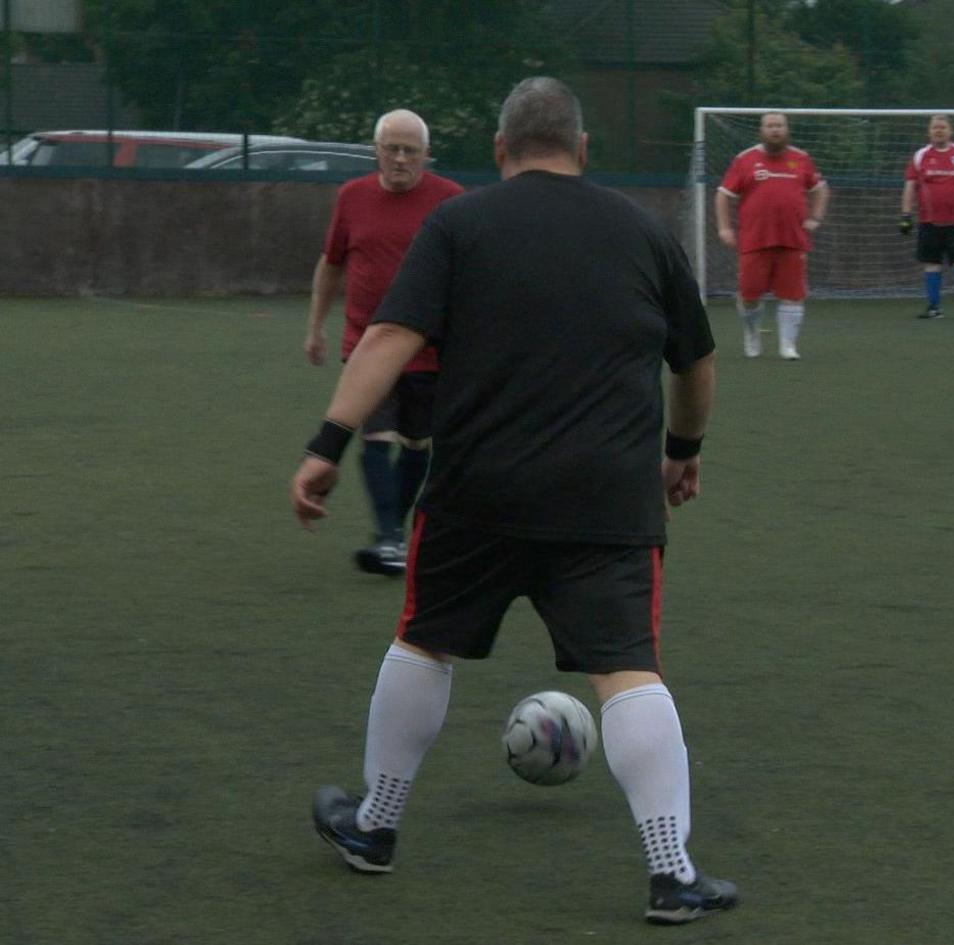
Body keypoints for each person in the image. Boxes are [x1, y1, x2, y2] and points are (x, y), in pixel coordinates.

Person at [289, 77, 736, 926]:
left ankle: (374, 826)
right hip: (607, 495)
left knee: (424, 642)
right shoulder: (643, 231)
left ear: (499, 151)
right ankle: (671, 872)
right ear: (582, 149)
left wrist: (328, 445)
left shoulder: (457, 224)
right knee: (628, 670)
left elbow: (389, 335)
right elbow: (696, 361)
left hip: (476, 492)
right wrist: (682, 453)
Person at [305, 109, 463, 575]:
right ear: (375, 151)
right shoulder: (351, 197)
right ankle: (390, 536)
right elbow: (331, 263)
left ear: (426, 156)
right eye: (390, 149)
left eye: (409, 151)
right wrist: (315, 326)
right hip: (367, 344)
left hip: (429, 349)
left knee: (417, 444)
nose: (399, 159)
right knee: (376, 433)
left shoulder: (451, 201)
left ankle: (397, 532)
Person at [715, 112, 829, 360]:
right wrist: (724, 228)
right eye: (770, 126)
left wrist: (815, 218)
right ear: (761, 130)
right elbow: (723, 194)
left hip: (792, 240)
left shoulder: (802, 159)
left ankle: (788, 346)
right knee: (749, 296)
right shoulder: (745, 160)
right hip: (754, 240)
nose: (775, 130)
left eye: (779, 125)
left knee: (793, 295)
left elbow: (820, 190)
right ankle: (752, 332)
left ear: (786, 130)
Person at [899, 114, 954, 320]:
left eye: (943, 127)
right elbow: (910, 186)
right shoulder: (921, 156)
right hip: (929, 222)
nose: (939, 131)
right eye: (935, 127)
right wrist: (905, 215)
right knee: (932, 264)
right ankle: (933, 308)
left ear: (950, 130)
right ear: (929, 132)